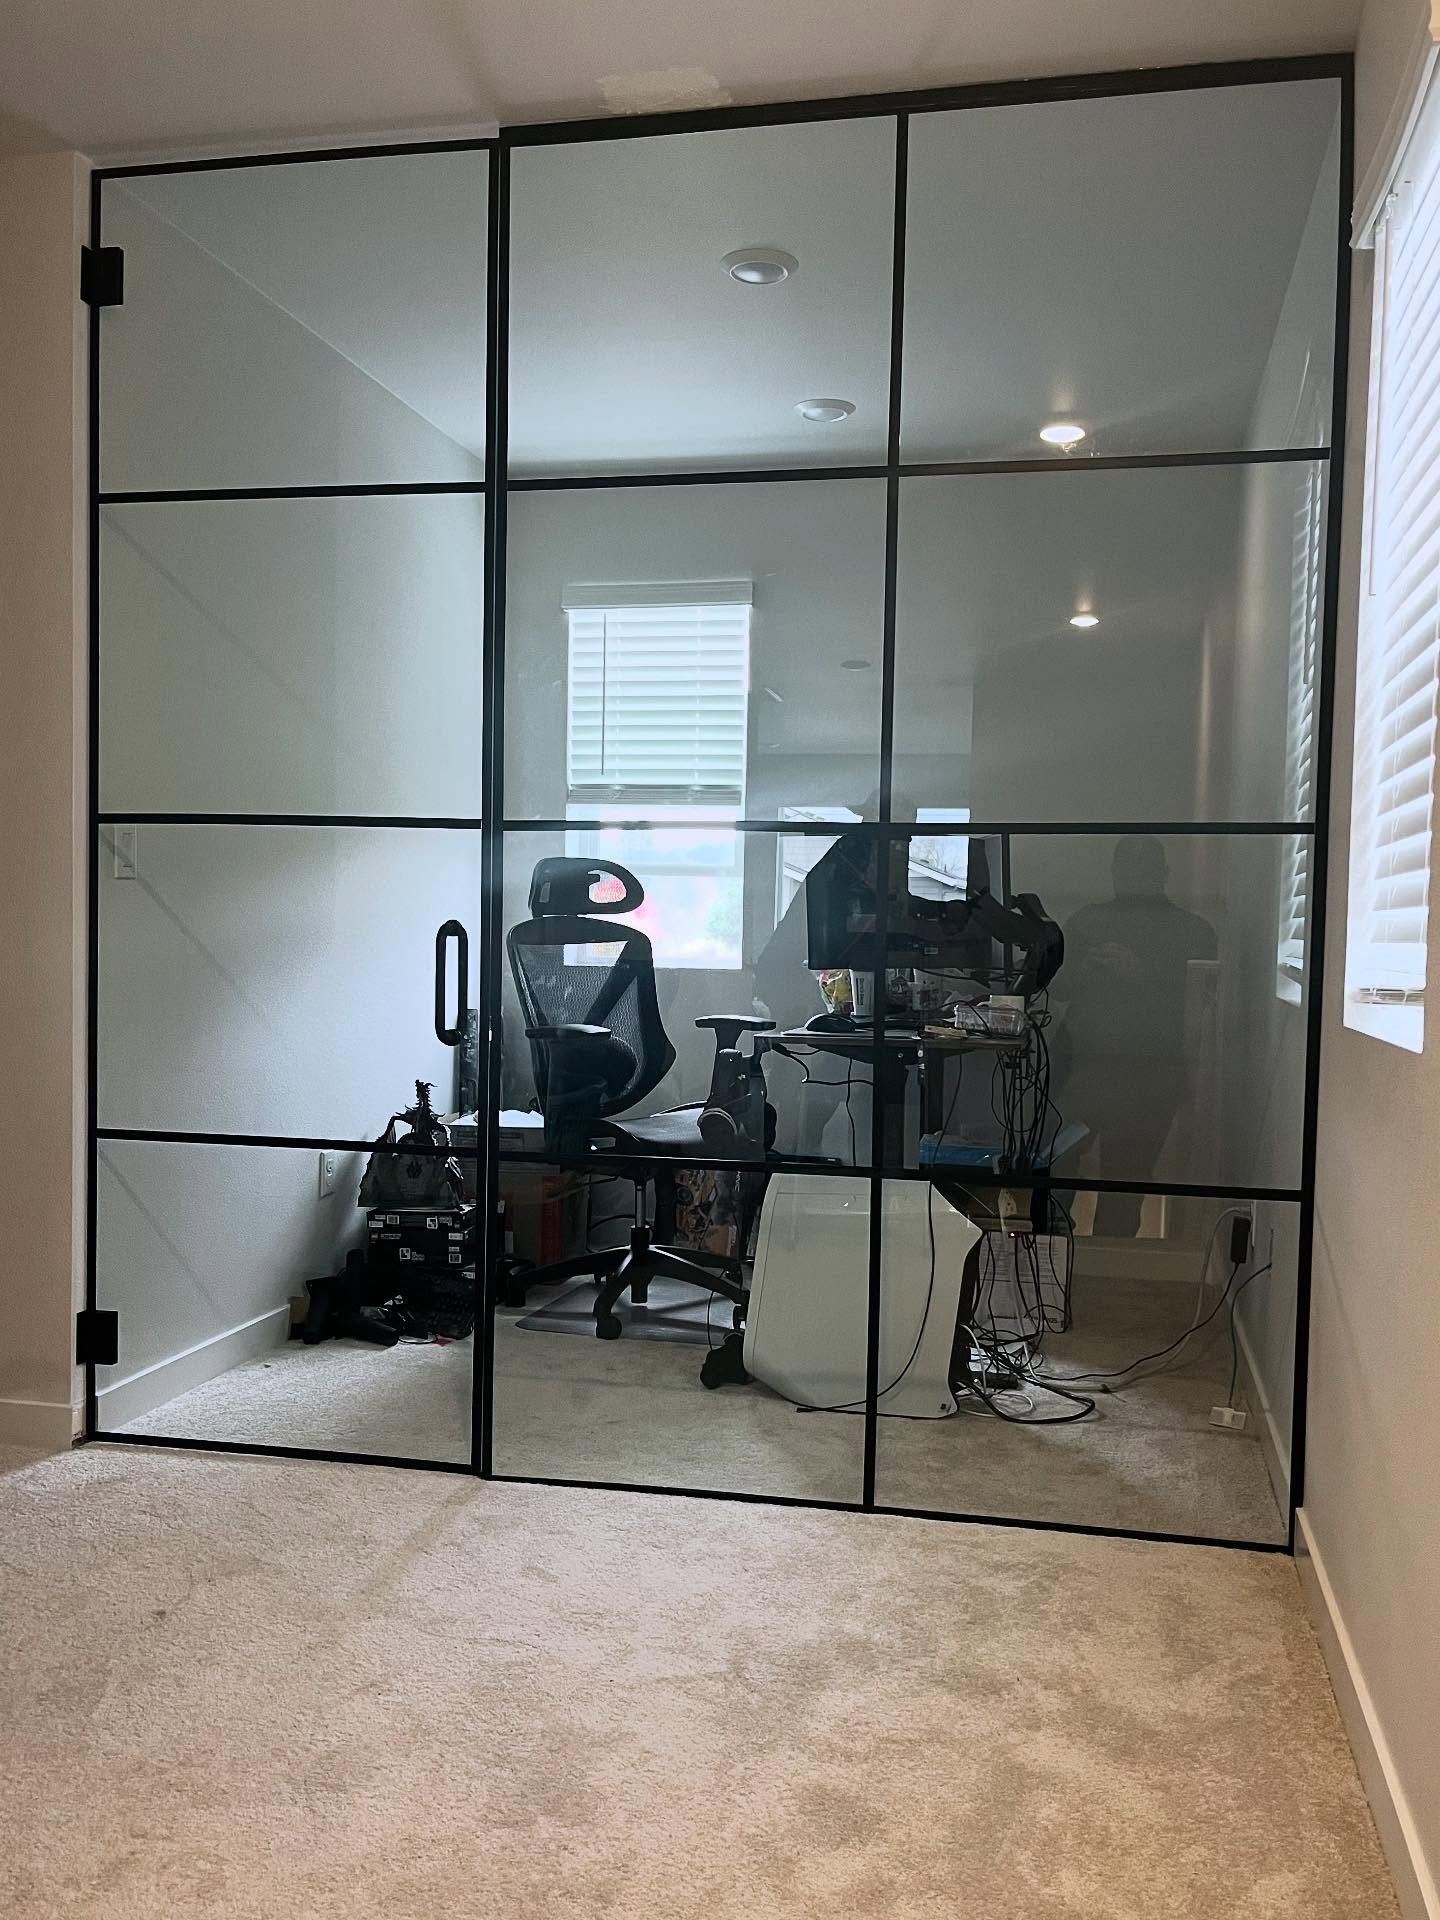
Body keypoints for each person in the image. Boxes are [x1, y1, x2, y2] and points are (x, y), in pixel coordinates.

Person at [1052, 837, 1216, 1236]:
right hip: (1083, 1073)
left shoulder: (1192, 932)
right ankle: (1049, 1266)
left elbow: (1203, 1005)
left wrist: (1142, 975)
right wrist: (1087, 970)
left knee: (1122, 1193)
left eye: (1139, 868)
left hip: (1148, 1078)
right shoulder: (1086, 923)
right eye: (1124, 867)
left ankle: (1108, 1282)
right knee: (1053, 1181)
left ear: (1162, 873)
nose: (1129, 876)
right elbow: (1059, 989)